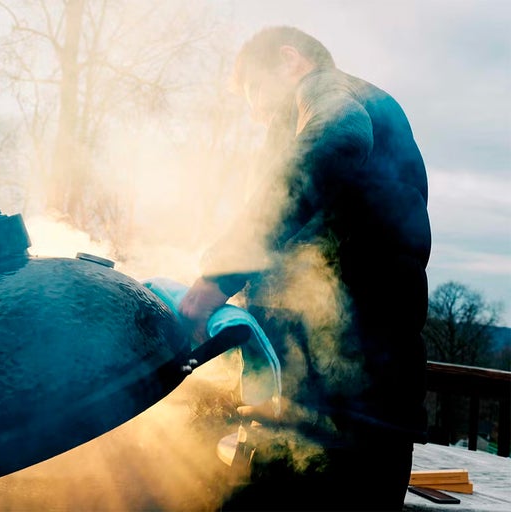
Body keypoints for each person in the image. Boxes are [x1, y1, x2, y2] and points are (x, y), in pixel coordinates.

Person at [179, 26, 431, 511]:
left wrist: (218, 276)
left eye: (254, 90)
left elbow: (336, 138)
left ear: (290, 61)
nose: (256, 113)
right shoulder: (367, 112)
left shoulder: (330, 91)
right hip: (349, 411)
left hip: (340, 419)